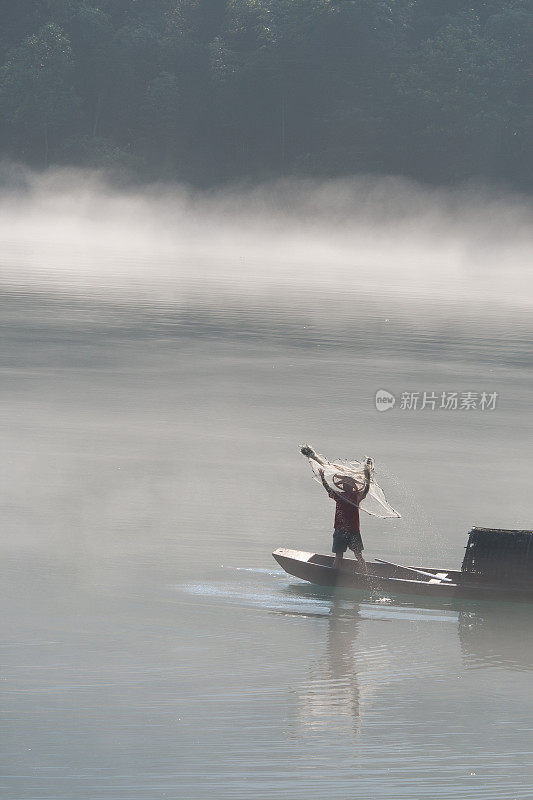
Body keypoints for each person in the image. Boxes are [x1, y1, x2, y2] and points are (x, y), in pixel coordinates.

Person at [301, 446, 372, 570]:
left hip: (348, 530)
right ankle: (349, 574)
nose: (345, 485)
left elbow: (365, 489)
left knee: (354, 555)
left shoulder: (351, 496)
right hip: (345, 530)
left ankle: (362, 574)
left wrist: (368, 478)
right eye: (345, 484)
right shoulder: (344, 496)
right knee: (345, 556)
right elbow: (329, 489)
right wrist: (323, 478)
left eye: (347, 484)